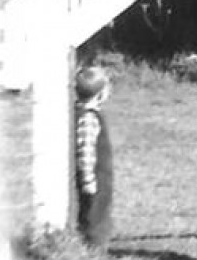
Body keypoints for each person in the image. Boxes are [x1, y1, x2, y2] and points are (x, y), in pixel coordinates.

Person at [74, 66, 114, 252]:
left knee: (99, 214)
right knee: (93, 218)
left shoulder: (84, 113)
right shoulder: (88, 117)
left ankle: (94, 247)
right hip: (94, 180)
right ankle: (92, 250)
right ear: (101, 93)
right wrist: (88, 180)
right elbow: (86, 151)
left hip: (100, 180)